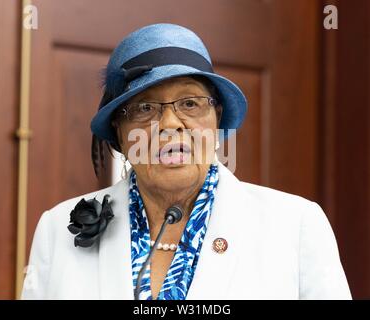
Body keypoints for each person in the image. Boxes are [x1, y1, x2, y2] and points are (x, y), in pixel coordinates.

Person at [22, 23, 351, 300]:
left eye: (190, 103)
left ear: (216, 119)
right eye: (144, 108)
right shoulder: (56, 229)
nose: (169, 124)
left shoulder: (295, 226)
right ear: (120, 133)